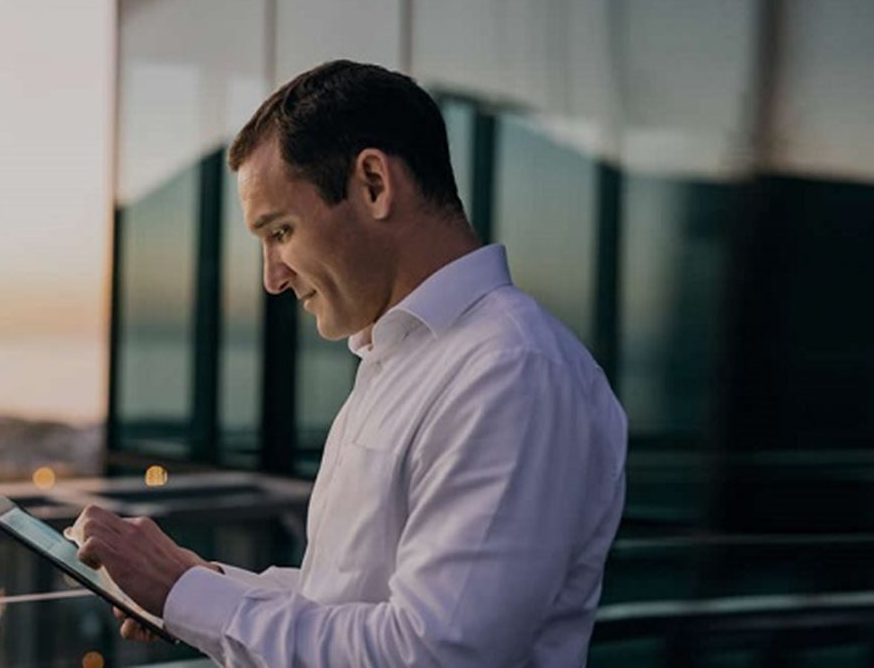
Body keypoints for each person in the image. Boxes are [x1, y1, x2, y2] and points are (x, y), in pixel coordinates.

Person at [74, 60, 628, 666]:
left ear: (372, 184)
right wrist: (201, 582)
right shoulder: (401, 361)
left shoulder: (512, 372)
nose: (273, 278)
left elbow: (432, 654)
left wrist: (184, 594)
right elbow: (341, 599)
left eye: (280, 231)